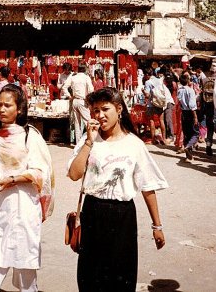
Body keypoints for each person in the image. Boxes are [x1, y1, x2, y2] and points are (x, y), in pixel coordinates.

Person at [68, 87, 167, 292]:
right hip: (92, 212)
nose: (99, 115)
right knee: (89, 277)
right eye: (95, 110)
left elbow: (147, 187)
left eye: (105, 109)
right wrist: (88, 141)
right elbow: (74, 174)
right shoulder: (90, 140)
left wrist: (157, 226)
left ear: (119, 109)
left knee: (120, 278)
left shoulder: (134, 144)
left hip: (122, 217)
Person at [0, 84, 54, 292]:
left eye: (8, 105)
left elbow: (40, 174)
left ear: (19, 109)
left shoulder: (30, 136)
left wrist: (12, 179)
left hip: (23, 210)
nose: (2, 109)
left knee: (25, 269)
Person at [61, 63, 94, 143]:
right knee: (87, 121)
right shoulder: (86, 78)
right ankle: (92, 140)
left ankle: (78, 143)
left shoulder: (73, 78)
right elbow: (91, 90)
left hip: (75, 100)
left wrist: (69, 96)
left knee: (77, 123)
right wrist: (88, 99)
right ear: (85, 69)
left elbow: (64, 87)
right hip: (83, 101)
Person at [177, 73, 199, 163]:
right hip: (190, 113)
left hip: (183, 113)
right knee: (195, 133)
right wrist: (195, 117)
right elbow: (192, 105)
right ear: (187, 80)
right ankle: (187, 147)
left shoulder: (179, 90)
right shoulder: (190, 91)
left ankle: (189, 156)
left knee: (186, 134)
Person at [143, 68, 167, 144]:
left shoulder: (148, 82)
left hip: (151, 104)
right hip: (160, 103)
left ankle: (153, 139)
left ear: (147, 75)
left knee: (151, 121)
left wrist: (143, 91)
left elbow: (147, 95)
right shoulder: (159, 80)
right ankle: (164, 139)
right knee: (161, 121)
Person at [202, 62, 216, 156]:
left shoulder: (204, 80)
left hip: (208, 107)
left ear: (210, 70)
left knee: (210, 129)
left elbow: (201, 95)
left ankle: (208, 147)